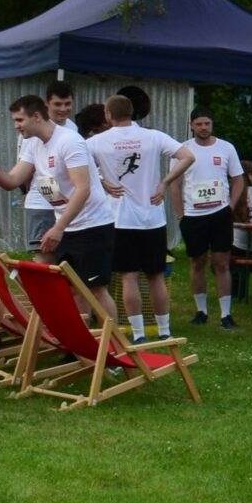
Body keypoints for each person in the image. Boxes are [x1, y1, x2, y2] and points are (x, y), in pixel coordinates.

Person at [0, 94, 119, 329]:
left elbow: (83, 189)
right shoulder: (33, 143)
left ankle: (117, 350)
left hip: (93, 225)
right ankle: (83, 346)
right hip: (68, 225)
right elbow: (13, 180)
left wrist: (58, 228)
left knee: (96, 290)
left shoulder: (70, 141)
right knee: (72, 289)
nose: (16, 126)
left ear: (36, 116)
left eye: (19, 120)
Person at [91, 94, 194, 343]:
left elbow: (78, 165)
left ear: (108, 114)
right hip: (152, 217)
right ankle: (164, 330)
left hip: (119, 218)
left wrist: (103, 181)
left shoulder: (95, 141)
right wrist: (165, 183)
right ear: (132, 112)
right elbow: (188, 156)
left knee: (128, 276)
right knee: (156, 275)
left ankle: (138, 333)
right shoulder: (153, 136)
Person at [178, 109, 246, 330]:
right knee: (197, 261)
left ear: (212, 124)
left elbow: (238, 179)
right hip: (193, 215)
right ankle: (201, 311)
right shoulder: (183, 150)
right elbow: (174, 184)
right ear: (191, 125)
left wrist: (231, 206)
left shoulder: (226, 148)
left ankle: (226, 314)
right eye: (199, 124)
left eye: (207, 123)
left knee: (221, 263)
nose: (203, 127)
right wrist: (180, 214)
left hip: (219, 213)